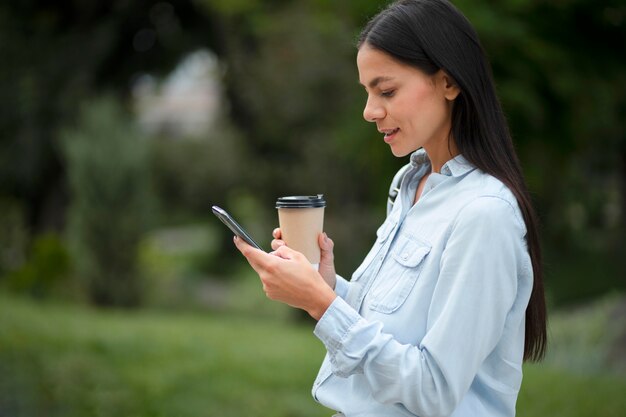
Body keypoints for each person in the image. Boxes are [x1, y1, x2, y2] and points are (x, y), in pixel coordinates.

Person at [234, 0, 547, 415]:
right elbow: (396, 327)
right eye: (367, 92)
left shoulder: (484, 214)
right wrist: (328, 288)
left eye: (386, 91)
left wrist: (321, 305)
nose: (369, 111)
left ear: (448, 82)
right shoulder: (410, 184)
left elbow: (432, 390)